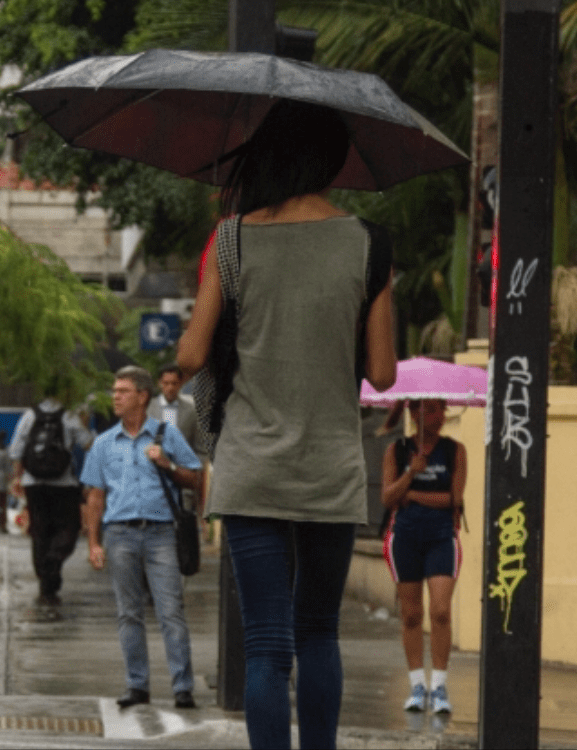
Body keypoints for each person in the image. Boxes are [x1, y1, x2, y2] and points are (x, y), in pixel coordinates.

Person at [177, 99, 398, 750]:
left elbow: (191, 356)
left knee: (267, 645)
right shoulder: (368, 242)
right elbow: (383, 373)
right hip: (329, 466)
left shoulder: (233, 238)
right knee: (319, 632)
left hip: (251, 466)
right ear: (329, 162)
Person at [81, 366, 203, 710]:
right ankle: (137, 685)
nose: (115, 396)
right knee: (128, 613)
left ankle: (183, 687)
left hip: (162, 533)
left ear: (142, 396)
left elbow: (194, 477)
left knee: (171, 611)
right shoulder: (104, 443)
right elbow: (94, 496)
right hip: (119, 535)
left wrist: (167, 464)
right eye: (114, 390)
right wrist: (94, 543)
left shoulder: (166, 435)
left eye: (123, 391)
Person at [381, 399, 466, 715]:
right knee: (412, 614)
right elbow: (388, 497)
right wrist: (409, 475)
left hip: (441, 539)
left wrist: (413, 494)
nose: (440, 416)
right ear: (415, 414)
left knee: (441, 610)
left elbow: (454, 499)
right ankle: (418, 684)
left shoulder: (454, 451)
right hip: (405, 539)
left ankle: (439, 685)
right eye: (431, 410)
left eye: (442, 409)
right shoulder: (397, 451)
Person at [8, 390, 92, 606]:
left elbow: (16, 450)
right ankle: (54, 561)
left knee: (39, 531)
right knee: (68, 528)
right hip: (63, 484)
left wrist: (17, 478)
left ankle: (45, 581)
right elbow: (88, 443)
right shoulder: (70, 416)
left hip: (33, 483)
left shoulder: (29, 415)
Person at [147, 363, 208, 524]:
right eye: (166, 383)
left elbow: (200, 448)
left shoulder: (191, 411)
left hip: (183, 478)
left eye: (174, 383)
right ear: (159, 383)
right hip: (154, 477)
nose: (170, 388)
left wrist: (196, 473)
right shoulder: (148, 408)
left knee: (182, 522)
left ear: (180, 384)